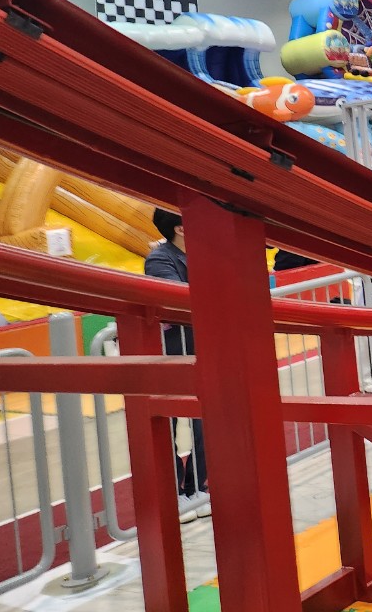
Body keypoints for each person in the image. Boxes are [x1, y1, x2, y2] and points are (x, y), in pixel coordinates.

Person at [144, 209, 210, 521]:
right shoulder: (160, 259)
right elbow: (176, 300)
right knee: (169, 421)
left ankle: (198, 487)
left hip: (202, 347)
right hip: (172, 350)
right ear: (181, 228)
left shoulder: (203, 254)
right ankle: (174, 493)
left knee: (203, 421)